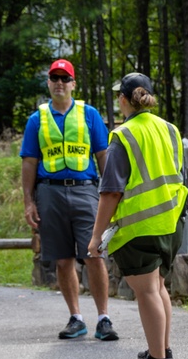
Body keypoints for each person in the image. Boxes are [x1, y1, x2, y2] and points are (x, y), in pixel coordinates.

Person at [88, 73, 188, 359]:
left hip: (140, 228)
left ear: (123, 100)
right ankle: (163, 350)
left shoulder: (123, 135)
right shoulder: (169, 129)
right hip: (171, 223)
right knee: (158, 288)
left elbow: (111, 191)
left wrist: (95, 238)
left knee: (146, 292)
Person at [20, 59, 118, 342]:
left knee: (93, 255)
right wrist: (29, 201)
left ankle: (104, 318)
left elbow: (103, 155)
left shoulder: (89, 114)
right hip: (49, 191)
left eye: (65, 79)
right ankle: (76, 317)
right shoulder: (36, 119)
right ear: (49, 83)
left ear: (73, 84)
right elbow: (29, 161)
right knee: (62, 259)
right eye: (55, 78)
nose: (59, 83)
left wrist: (110, 196)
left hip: (85, 189)